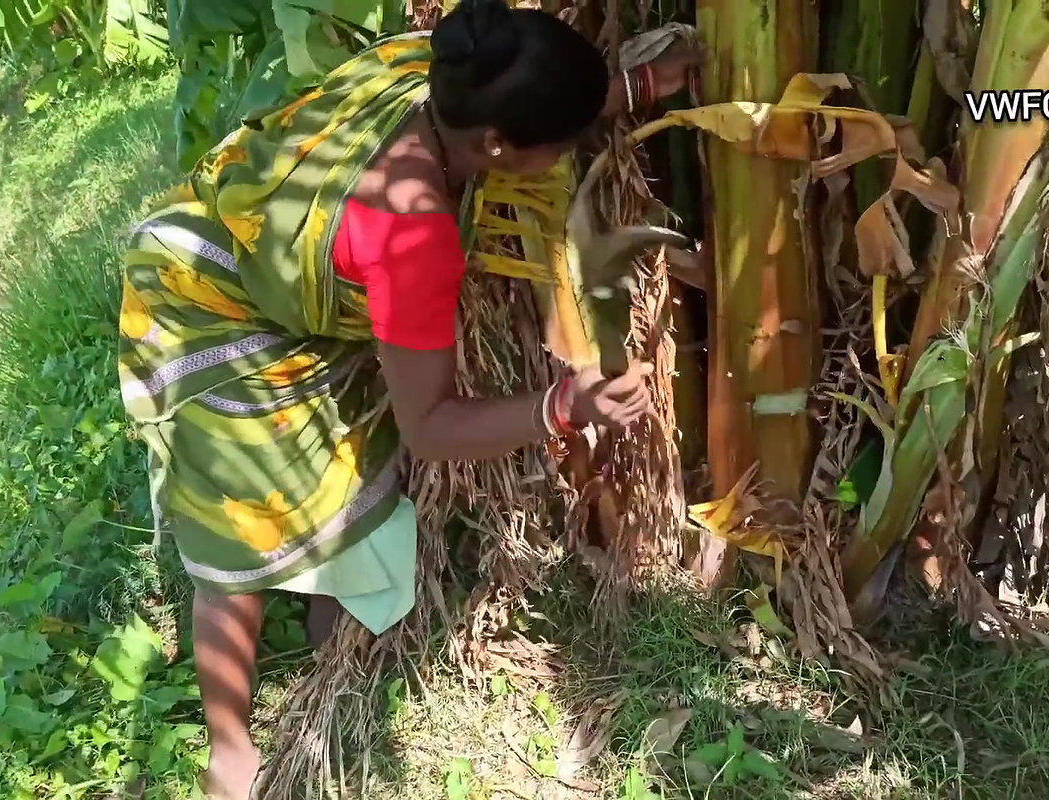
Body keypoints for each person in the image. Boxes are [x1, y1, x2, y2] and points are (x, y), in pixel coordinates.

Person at [115, 1, 699, 796]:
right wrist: (562, 406)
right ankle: (230, 747)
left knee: (350, 471)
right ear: (496, 147)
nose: (569, 155)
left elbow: (525, 97)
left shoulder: (430, 62)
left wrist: (630, 86)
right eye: (559, 147)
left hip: (254, 245)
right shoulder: (412, 234)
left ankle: (336, 646)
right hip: (210, 309)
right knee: (237, 538)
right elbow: (431, 427)